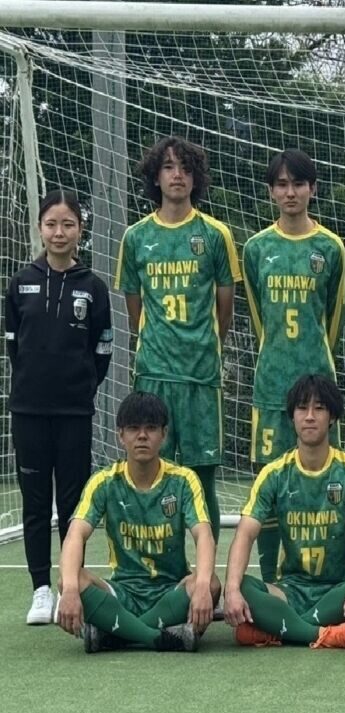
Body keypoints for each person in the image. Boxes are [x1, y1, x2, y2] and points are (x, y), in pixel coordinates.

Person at [115, 136, 240, 541]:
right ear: (156, 176)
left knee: (202, 476)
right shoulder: (136, 237)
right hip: (154, 373)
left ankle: (207, 568)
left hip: (201, 376)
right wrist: (159, 344)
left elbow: (225, 310)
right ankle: (164, 565)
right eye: (168, 167)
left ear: (196, 178)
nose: (177, 175)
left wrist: (201, 346)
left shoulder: (215, 234)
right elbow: (135, 310)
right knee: (153, 471)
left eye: (186, 168)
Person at [5, 190, 113, 625]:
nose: (59, 232)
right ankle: (41, 590)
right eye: (51, 224)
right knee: (35, 503)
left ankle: (73, 586)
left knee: (73, 505)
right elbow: (14, 347)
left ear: (80, 231)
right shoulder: (20, 283)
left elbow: (102, 351)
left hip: (74, 414)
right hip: (28, 411)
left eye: (68, 224)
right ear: (40, 228)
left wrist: (79, 388)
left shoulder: (93, 287)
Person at [243, 149, 345, 582]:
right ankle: (270, 580)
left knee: (324, 482)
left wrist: (315, 366)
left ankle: (325, 578)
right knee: (267, 483)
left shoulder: (331, 247)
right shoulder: (256, 248)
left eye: (298, 184)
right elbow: (258, 319)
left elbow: (334, 319)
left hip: (318, 383)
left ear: (312, 189)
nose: (290, 192)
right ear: (271, 191)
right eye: (282, 184)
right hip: (271, 385)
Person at [55, 392, 218, 652]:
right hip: (121, 593)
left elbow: (204, 535)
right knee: (69, 581)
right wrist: (71, 591)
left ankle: (116, 634)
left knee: (210, 584)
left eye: (151, 428)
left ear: (164, 434)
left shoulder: (183, 480)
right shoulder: (104, 482)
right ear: (121, 435)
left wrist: (200, 587)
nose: (142, 436)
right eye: (133, 428)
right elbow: (75, 535)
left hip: (170, 590)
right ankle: (158, 637)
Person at [223, 375, 345, 649]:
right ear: (292, 416)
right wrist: (231, 590)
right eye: (302, 408)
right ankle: (324, 634)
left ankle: (277, 629)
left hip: (339, 590)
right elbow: (244, 535)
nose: (310, 416)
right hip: (290, 592)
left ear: (332, 416)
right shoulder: (274, 473)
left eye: (319, 408)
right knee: (241, 585)